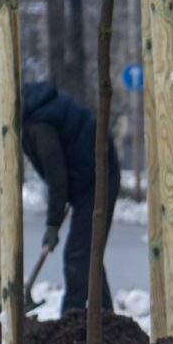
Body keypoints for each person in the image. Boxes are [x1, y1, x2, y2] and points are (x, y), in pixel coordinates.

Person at [21, 81, 119, 314]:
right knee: (88, 251)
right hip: (88, 175)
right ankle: (107, 318)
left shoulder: (40, 126)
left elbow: (57, 177)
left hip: (98, 177)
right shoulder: (37, 114)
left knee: (78, 254)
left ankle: (72, 318)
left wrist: (52, 225)